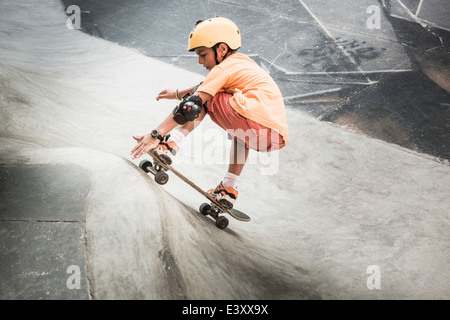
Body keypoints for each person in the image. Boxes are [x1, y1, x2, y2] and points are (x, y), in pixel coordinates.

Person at [131, 17, 288, 209]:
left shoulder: (224, 67)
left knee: (206, 98)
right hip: (273, 136)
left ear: (221, 49)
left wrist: (156, 134)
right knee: (237, 131)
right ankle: (228, 189)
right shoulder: (243, 65)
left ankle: (170, 144)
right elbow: (203, 86)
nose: (200, 61)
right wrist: (176, 94)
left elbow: (193, 104)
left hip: (252, 118)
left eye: (203, 54)